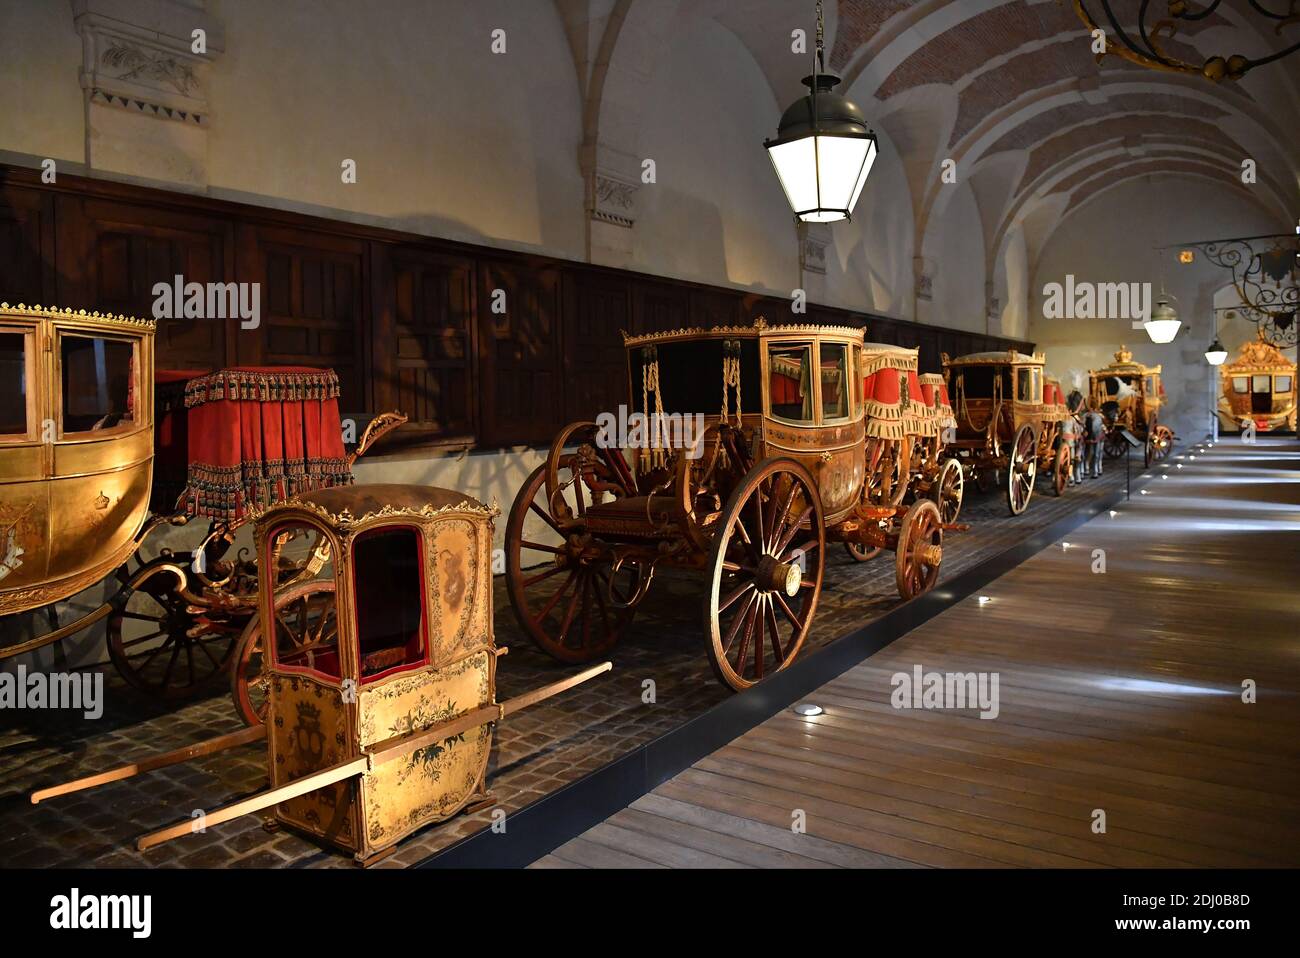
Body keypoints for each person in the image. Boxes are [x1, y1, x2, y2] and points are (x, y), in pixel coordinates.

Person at [1082, 401, 1106, 478]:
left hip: (1089, 435)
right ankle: (1097, 470)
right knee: (1096, 453)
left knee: (1087, 452)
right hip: (1096, 435)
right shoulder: (1099, 416)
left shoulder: (1085, 415)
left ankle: (1086, 469)